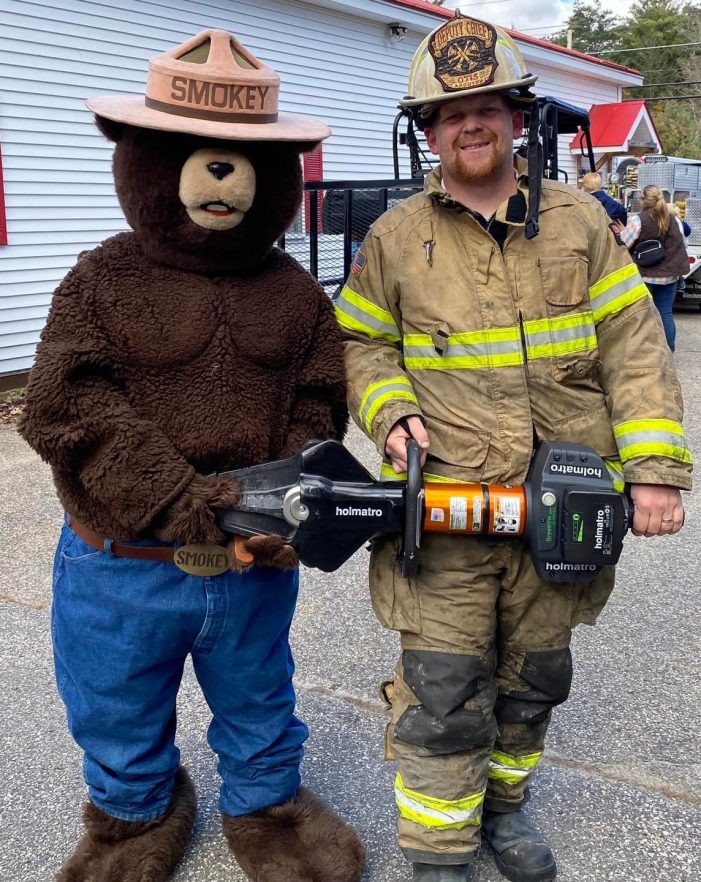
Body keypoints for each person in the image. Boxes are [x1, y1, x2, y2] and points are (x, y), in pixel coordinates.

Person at [335, 12, 692, 882]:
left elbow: (634, 351)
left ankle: (504, 812)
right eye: (448, 113)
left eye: (487, 105)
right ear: (426, 129)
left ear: (513, 115)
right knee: (445, 694)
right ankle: (440, 854)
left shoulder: (577, 227)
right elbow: (360, 345)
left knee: (532, 685)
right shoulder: (393, 241)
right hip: (447, 511)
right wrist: (388, 414)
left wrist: (651, 473)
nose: (470, 124)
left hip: (560, 516)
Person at [612, 185, 689, 351]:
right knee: (666, 313)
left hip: (645, 275)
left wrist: (621, 232)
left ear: (643, 200)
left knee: (643, 314)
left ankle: (646, 351)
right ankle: (669, 350)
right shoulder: (675, 220)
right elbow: (683, 243)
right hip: (670, 276)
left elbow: (623, 243)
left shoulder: (638, 220)